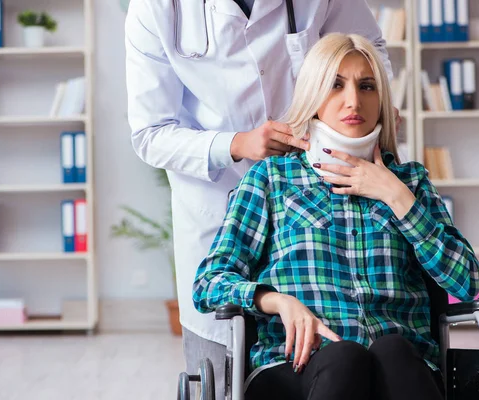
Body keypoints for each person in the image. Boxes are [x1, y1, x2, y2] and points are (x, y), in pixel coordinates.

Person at [124, 1, 398, 397]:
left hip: (319, 198)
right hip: (218, 204)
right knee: (224, 375)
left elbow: (367, 48)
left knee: (356, 358)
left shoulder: (405, 187)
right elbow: (149, 133)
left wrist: (374, 108)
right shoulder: (157, 8)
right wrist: (238, 143)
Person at [193, 33, 479, 400]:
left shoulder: (411, 182)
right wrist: (275, 300)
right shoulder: (271, 179)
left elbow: (467, 282)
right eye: (335, 85)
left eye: (367, 86)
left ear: (381, 100)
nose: (353, 101)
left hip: (402, 367)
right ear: (313, 96)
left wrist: (395, 195)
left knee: (392, 350)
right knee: (345, 356)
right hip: (296, 367)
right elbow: (209, 282)